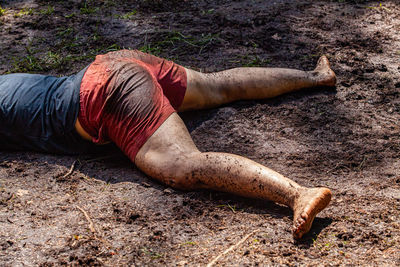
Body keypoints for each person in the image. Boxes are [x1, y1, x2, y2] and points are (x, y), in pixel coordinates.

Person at [0, 50, 336, 239]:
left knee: (182, 166)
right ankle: (317, 76)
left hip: (105, 94)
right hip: (117, 64)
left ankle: (298, 194)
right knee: (218, 87)